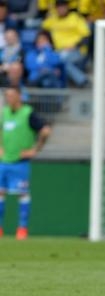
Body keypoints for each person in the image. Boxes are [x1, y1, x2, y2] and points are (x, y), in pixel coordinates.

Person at [0, 86, 52, 239]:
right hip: (3, 161)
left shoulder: (28, 113)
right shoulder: (4, 113)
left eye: (11, 95)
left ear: (19, 96)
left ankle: (22, 229)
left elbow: (46, 130)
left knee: (22, 194)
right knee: (1, 193)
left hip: (20, 162)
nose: (8, 98)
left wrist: (36, 149)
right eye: (6, 95)